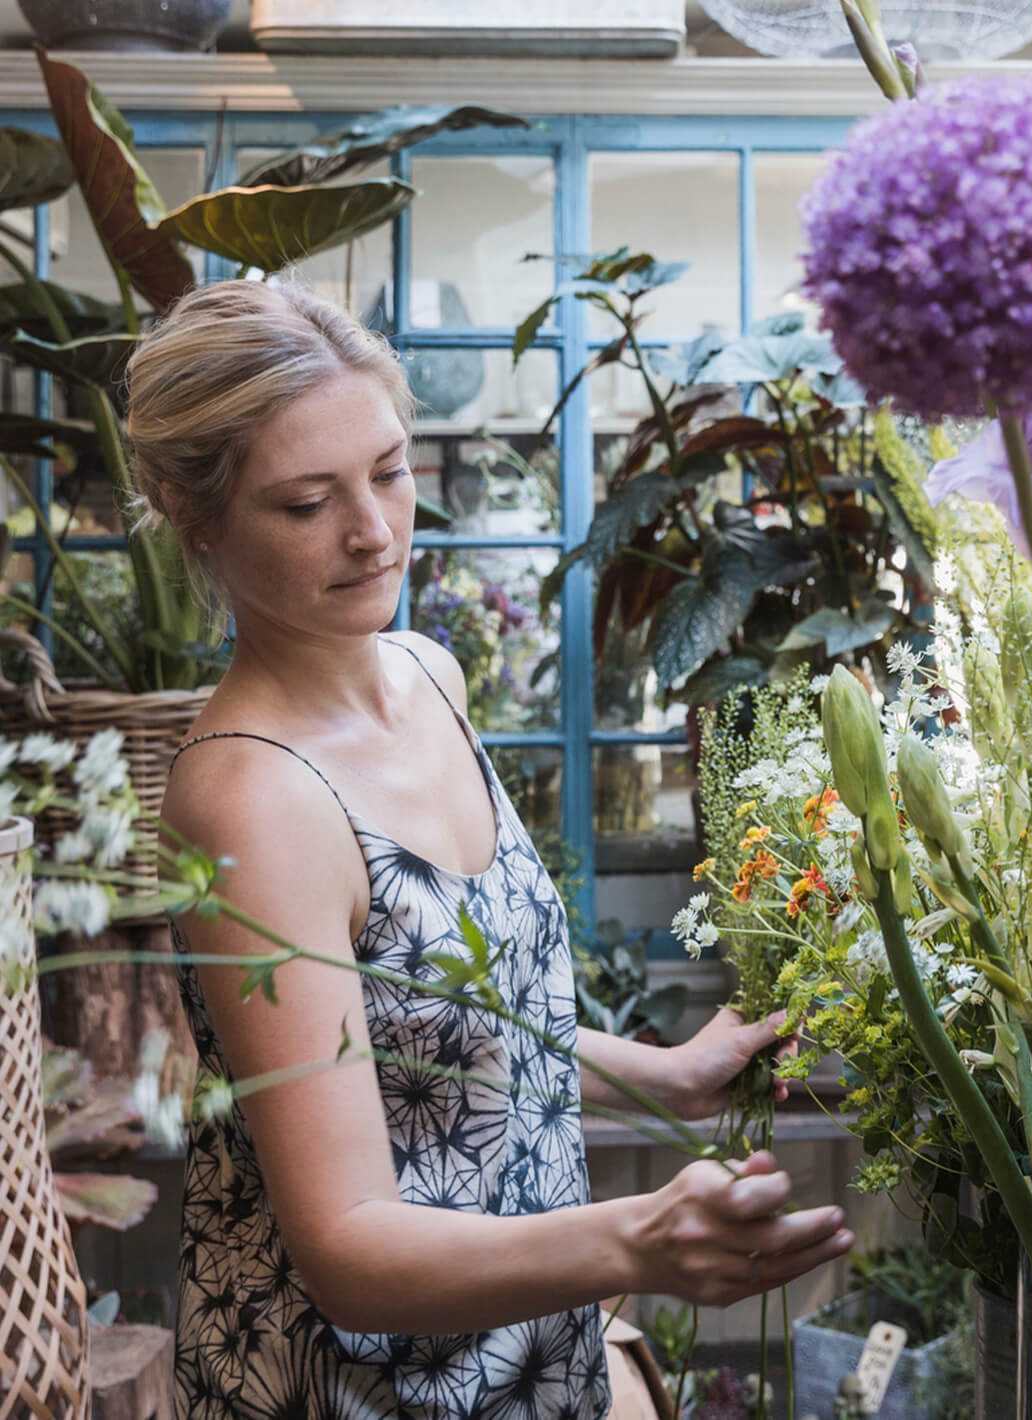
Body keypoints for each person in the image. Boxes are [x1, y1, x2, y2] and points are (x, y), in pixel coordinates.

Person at [125, 277, 855, 1418]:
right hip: (367, 1392)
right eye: (306, 503)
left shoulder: (429, 675)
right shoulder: (254, 801)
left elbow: (441, 1036)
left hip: (525, 1364)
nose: (373, 530)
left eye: (389, 470)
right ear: (195, 514)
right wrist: (635, 1243)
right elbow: (350, 1247)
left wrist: (667, 1073)